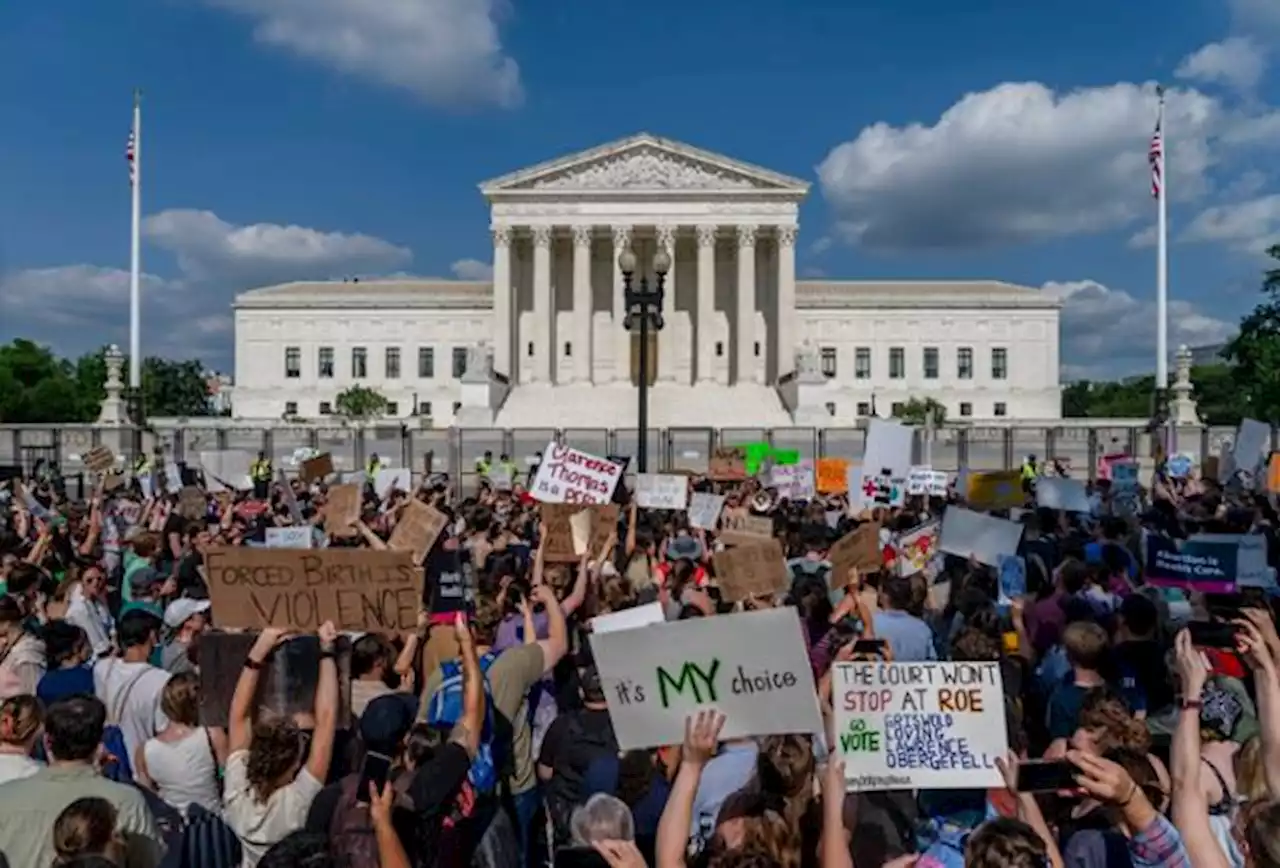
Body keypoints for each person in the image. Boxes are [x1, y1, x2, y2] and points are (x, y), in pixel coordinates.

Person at [222, 624, 339, 866]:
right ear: (295, 762)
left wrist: (258, 651)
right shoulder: (299, 802)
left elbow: (238, 716)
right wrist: (326, 650)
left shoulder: (237, 794)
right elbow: (327, 720)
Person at [0, 694, 163, 868]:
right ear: (98, 744)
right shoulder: (126, 801)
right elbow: (148, 861)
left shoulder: (6, 797)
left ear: (47, 742)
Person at [136, 671, 225, 818]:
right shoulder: (212, 735)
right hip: (213, 824)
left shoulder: (144, 751)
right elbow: (229, 776)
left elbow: (149, 797)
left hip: (175, 831)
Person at [93, 609, 172, 771]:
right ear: (151, 636)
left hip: (107, 763)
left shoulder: (101, 669)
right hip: (141, 768)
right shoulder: (161, 679)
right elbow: (163, 731)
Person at [160, 598, 211, 675]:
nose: (204, 616)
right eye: (200, 613)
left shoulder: (178, 645)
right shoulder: (180, 655)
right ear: (188, 622)